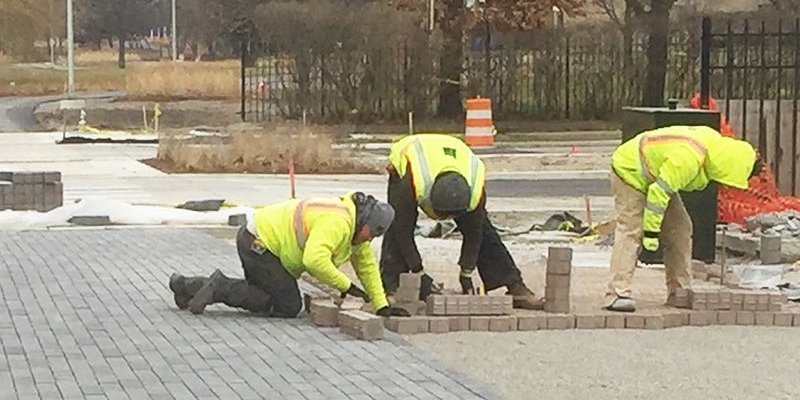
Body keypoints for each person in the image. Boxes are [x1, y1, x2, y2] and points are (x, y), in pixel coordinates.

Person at [170, 192, 395, 318]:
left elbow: (367, 269)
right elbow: (314, 260)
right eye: (372, 233)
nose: (370, 239)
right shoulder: (339, 223)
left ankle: (184, 286)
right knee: (287, 305)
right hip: (259, 244)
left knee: (260, 293)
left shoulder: (358, 231)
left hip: (259, 241)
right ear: (366, 221)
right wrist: (347, 287)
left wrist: (381, 306)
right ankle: (217, 287)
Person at [608, 125, 760, 309]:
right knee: (631, 228)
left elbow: (663, 188)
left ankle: (679, 293)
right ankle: (617, 293)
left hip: (655, 176)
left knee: (680, 229)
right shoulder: (689, 159)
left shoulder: (712, 148)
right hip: (630, 170)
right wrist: (651, 235)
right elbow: (658, 196)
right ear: (730, 166)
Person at [381, 132, 534, 305]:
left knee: (483, 228)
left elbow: (475, 233)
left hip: (455, 156)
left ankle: (513, 284)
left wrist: (466, 273)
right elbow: (403, 232)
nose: (448, 220)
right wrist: (418, 273)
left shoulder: (475, 190)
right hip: (410, 154)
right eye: (443, 215)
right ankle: (391, 287)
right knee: (396, 224)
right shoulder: (408, 182)